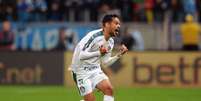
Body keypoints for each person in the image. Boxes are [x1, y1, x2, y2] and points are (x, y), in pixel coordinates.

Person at [70, 14, 128, 101]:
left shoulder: (110, 42)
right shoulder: (94, 36)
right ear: (107, 24)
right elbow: (81, 56)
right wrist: (98, 53)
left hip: (95, 69)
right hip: (80, 71)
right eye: (116, 23)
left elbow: (105, 62)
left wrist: (119, 55)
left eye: (119, 24)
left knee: (109, 89)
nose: (118, 26)